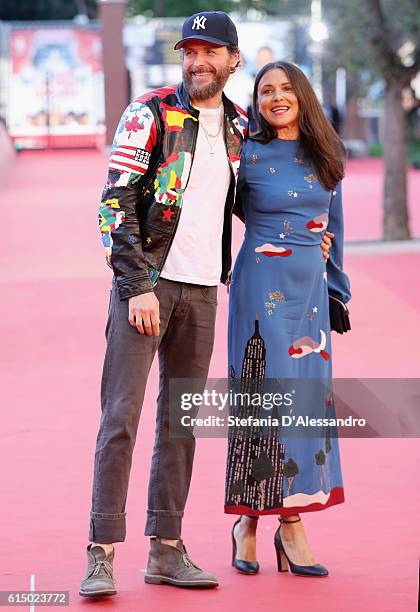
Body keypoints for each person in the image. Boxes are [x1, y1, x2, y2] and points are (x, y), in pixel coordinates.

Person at [79, 12, 332, 596]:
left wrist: (304, 235)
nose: (198, 61)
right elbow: (113, 204)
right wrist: (134, 283)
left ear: (232, 60)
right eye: (189, 51)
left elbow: (257, 203)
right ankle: (101, 550)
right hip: (148, 285)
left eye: (210, 52)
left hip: (203, 291)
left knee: (181, 423)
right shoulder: (150, 112)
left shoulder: (243, 128)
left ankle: (166, 550)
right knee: (121, 417)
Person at [225, 61, 351, 578]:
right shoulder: (246, 154)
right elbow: (219, 208)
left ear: (301, 95)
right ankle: (251, 521)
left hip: (311, 297)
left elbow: (335, 227)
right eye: (265, 91)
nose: (276, 97)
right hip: (260, 289)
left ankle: (291, 518)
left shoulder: (327, 154)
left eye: (284, 89)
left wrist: (339, 290)